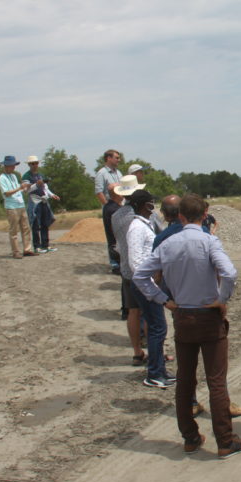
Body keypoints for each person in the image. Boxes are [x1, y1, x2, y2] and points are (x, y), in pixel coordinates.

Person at [133, 194, 241, 459]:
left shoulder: (167, 244)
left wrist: (164, 300)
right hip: (208, 316)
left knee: (185, 380)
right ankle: (225, 440)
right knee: (216, 381)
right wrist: (221, 300)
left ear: (181, 216)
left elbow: (140, 275)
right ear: (204, 214)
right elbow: (230, 273)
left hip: (183, 315)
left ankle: (190, 437)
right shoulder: (209, 241)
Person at [124, 190, 174, 389]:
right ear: (146, 205)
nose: (154, 206)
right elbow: (136, 262)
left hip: (148, 284)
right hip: (144, 285)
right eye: (152, 203)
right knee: (157, 329)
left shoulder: (143, 225)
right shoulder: (136, 227)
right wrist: (152, 288)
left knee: (158, 329)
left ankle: (160, 370)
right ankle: (154, 373)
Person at [112, 175, 148, 366]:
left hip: (126, 269)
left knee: (133, 311)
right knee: (150, 312)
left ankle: (137, 352)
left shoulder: (115, 216)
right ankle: (154, 351)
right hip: (144, 269)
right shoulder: (142, 215)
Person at [0, 155, 35, 259]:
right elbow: (6, 193)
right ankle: (15, 251)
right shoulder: (2, 178)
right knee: (14, 230)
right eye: (12, 165)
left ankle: (27, 249)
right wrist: (19, 188)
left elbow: (18, 189)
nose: (14, 167)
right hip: (11, 206)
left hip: (20, 204)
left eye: (14, 165)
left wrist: (25, 187)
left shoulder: (14, 176)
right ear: (6, 166)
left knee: (26, 228)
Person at [95, 149, 123, 274]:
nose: (119, 160)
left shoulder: (119, 173)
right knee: (112, 237)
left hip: (120, 207)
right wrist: (108, 207)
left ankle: (122, 260)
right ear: (108, 158)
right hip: (110, 209)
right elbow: (99, 192)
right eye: (116, 157)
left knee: (120, 236)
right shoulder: (101, 173)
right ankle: (115, 263)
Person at [26, 166, 60, 254]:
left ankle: (46, 244)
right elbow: (26, 190)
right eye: (32, 163)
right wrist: (37, 184)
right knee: (36, 224)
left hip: (43, 200)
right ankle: (37, 246)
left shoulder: (40, 175)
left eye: (36, 163)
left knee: (45, 223)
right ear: (29, 165)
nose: (34, 165)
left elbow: (45, 188)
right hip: (34, 201)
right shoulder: (26, 176)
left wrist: (52, 195)